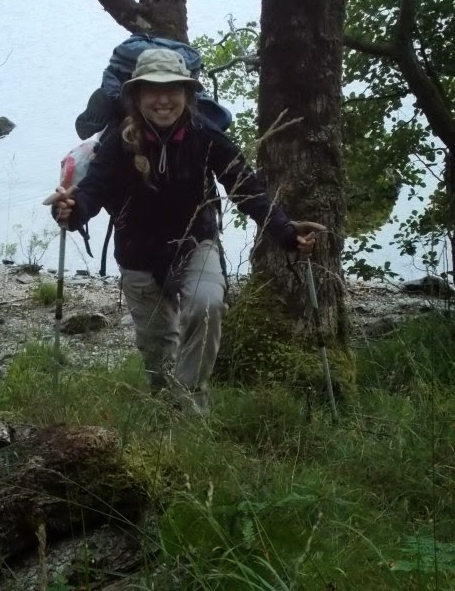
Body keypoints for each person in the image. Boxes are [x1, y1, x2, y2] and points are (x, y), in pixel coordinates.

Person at [49, 48, 316, 415]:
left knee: (208, 306)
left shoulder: (206, 136)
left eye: (172, 89)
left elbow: (247, 189)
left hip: (195, 243)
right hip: (137, 252)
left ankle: (189, 407)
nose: (163, 99)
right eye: (152, 90)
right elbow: (93, 190)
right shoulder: (119, 141)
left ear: (187, 94)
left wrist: (285, 231)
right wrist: (72, 209)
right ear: (137, 95)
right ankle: (163, 404)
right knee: (156, 347)